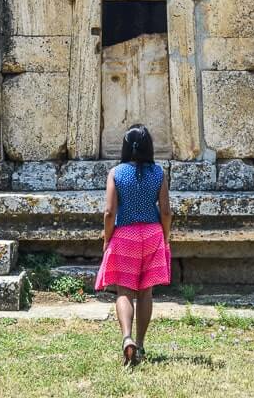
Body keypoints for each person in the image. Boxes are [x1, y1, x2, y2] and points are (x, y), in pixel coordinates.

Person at [94, 123, 172, 366]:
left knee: (124, 291)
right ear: (149, 147)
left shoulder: (116, 173)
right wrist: (165, 236)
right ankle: (141, 342)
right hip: (151, 233)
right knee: (146, 291)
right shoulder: (159, 173)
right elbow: (166, 211)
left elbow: (109, 211)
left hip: (125, 235)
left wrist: (107, 239)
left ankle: (127, 338)